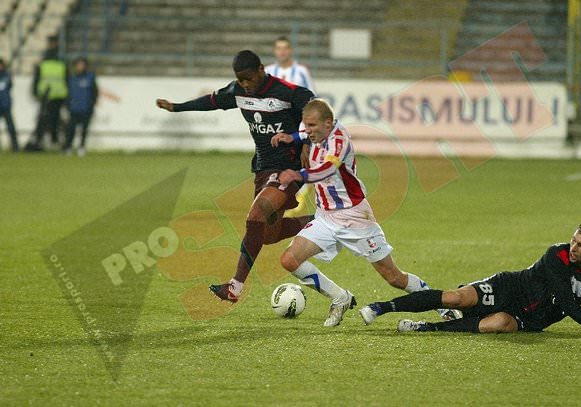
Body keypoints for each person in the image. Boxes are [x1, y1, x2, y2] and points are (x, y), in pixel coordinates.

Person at [275, 99, 460, 326]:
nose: (308, 130)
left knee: (394, 277)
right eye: (306, 125)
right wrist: (291, 137)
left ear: (328, 123)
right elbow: (304, 133)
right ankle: (340, 297)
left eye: (312, 126)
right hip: (325, 216)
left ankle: (443, 306)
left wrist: (299, 175)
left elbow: (327, 169)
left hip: (355, 217)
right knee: (290, 259)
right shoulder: (315, 129)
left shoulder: (339, 141)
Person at [156, 50, 315, 303]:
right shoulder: (238, 92)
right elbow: (210, 101)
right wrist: (177, 108)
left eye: (248, 78)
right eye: (240, 80)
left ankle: (235, 286)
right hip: (263, 169)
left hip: (288, 169)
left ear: (262, 69)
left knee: (255, 217)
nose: (245, 84)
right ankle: (324, 221)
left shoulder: (286, 91)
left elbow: (312, 104)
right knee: (268, 234)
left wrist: (306, 139)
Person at [359, 221, 581, 334]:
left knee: (497, 324)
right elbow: (567, 303)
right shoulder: (558, 255)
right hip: (509, 287)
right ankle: (381, 307)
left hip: (532, 318)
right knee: (457, 298)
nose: (573, 248)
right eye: (573, 241)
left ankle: (427, 327)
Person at [265, 36, 315, 218]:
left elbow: (311, 99)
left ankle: (299, 194)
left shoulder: (300, 71)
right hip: (275, 125)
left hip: (296, 125)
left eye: (285, 48)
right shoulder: (269, 71)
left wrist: (307, 128)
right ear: (275, 51)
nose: (282, 51)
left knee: (300, 159)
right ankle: (279, 197)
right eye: (278, 48)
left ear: (290, 50)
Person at [31, 35, 68, 149]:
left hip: (57, 96)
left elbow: (66, 80)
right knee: (47, 120)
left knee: (53, 121)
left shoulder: (57, 63)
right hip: (47, 96)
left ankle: (51, 141)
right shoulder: (56, 63)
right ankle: (42, 141)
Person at [63, 57, 98, 156]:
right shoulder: (72, 78)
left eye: (82, 64)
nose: (80, 66)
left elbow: (94, 92)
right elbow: (68, 93)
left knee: (84, 130)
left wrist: (91, 105)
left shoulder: (90, 77)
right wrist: (67, 105)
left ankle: (82, 147)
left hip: (86, 108)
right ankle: (68, 147)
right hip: (74, 108)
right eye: (78, 64)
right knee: (71, 129)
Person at [0, 58, 19, 152]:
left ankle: (15, 147)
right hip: (4, 104)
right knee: (10, 126)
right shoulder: (6, 76)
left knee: (11, 127)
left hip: (5, 105)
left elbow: (10, 86)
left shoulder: (6, 76)